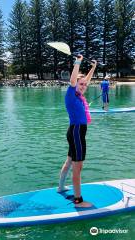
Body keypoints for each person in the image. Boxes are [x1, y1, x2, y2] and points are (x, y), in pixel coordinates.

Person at [57, 55, 97, 208]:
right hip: (76, 133)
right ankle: (78, 201)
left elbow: (85, 80)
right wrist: (78, 62)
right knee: (77, 166)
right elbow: (74, 80)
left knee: (69, 161)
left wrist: (93, 68)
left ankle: (60, 187)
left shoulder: (79, 96)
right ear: (75, 85)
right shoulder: (71, 94)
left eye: (85, 85)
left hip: (75, 132)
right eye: (80, 84)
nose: (83, 86)